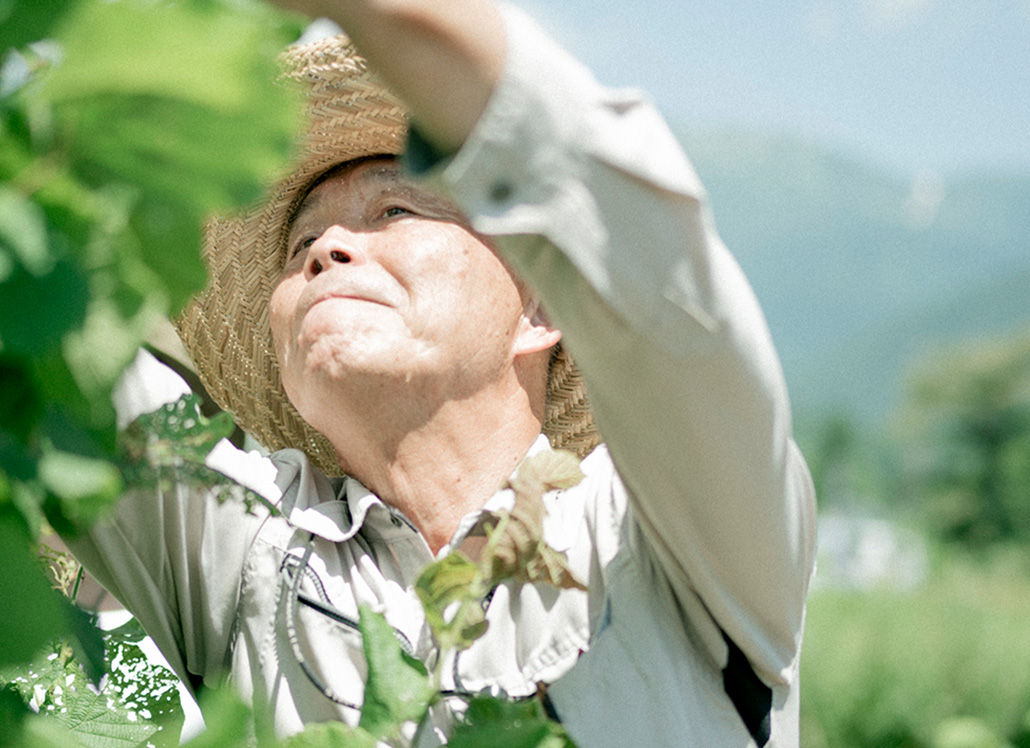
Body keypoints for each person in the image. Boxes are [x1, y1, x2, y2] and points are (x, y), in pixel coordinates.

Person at [67, 0, 817, 745]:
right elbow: (55, 336)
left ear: (541, 305)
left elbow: (647, 259)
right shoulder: (244, 545)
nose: (325, 248)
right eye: (300, 242)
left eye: (393, 211)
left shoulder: (660, 534)